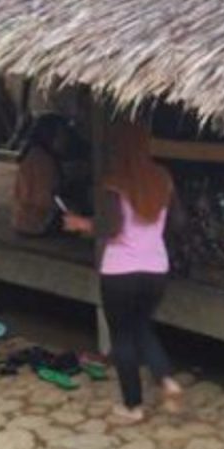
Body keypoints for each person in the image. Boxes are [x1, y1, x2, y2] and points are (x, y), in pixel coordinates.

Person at [61, 122, 185, 424]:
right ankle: (166, 379)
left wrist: (80, 223)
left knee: (123, 337)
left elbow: (110, 228)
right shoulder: (164, 179)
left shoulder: (113, 183)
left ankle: (133, 406)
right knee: (142, 326)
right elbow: (178, 222)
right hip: (155, 268)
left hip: (120, 271)